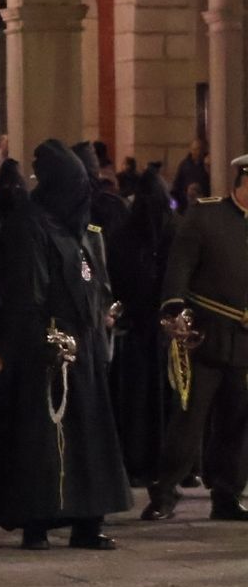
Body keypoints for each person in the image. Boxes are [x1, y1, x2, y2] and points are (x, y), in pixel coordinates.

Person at [0, 140, 131, 549]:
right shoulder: (30, 225)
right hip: (47, 347)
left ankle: (87, 519)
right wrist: (38, 339)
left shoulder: (76, 226)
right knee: (43, 440)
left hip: (84, 347)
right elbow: (26, 290)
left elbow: (90, 278)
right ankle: (39, 520)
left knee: (90, 438)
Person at [142, 153, 248, 522]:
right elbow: (179, 266)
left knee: (237, 421)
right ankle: (166, 491)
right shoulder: (206, 215)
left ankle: (227, 493)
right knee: (188, 417)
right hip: (204, 335)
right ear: (243, 181)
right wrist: (174, 310)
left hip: (245, 341)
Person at [107, 167, 175, 487]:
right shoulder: (172, 231)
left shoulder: (123, 235)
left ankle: (136, 459)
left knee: (138, 398)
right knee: (163, 397)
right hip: (161, 331)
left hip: (136, 329)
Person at [171, 138, 210, 212]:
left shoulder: (207, 164)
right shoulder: (184, 165)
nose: (197, 152)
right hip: (186, 205)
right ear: (191, 150)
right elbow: (176, 186)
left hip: (203, 204)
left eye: (199, 149)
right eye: (195, 149)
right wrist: (174, 207)